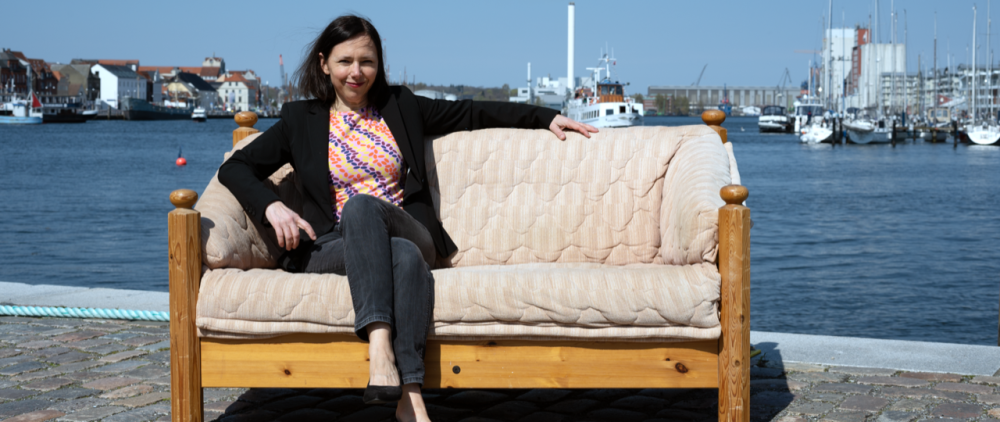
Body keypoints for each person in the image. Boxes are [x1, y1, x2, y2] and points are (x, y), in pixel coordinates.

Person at [218, 14, 597, 422]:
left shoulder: (400, 107)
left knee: (366, 209)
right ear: (325, 63)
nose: (356, 72)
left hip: (408, 227)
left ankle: (379, 350)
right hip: (333, 246)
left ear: (379, 65)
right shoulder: (300, 120)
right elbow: (236, 168)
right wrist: (272, 206)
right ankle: (411, 397)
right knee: (400, 255)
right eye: (345, 61)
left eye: (367, 61)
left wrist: (543, 116)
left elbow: (471, 113)